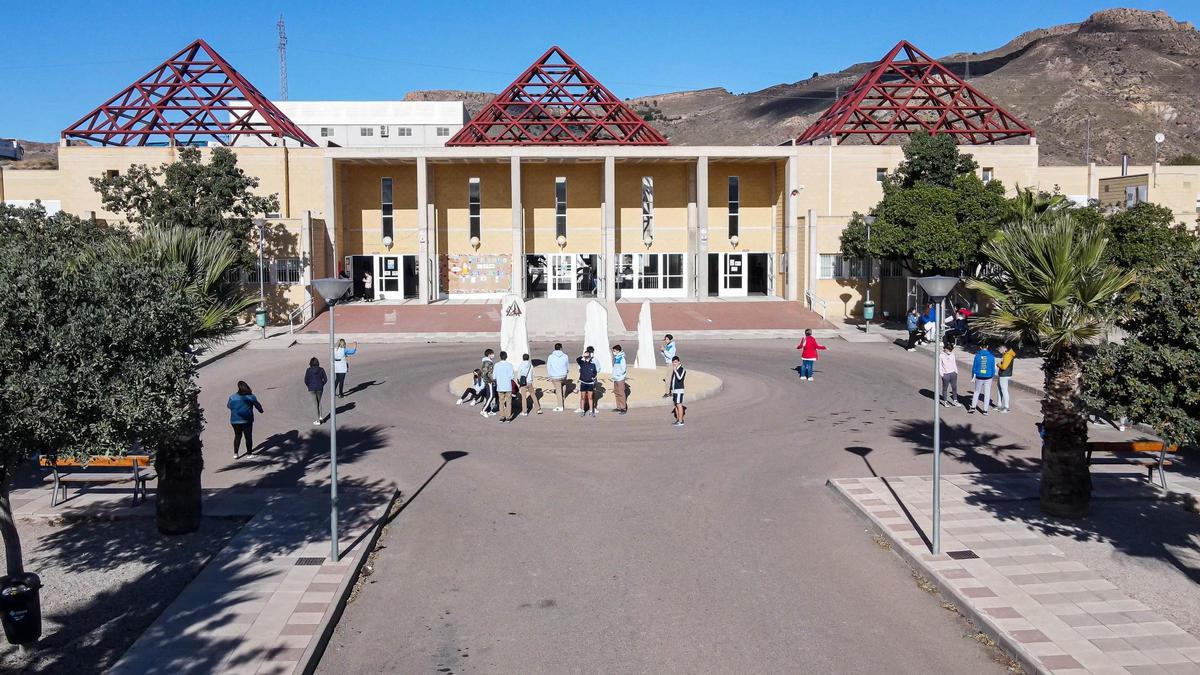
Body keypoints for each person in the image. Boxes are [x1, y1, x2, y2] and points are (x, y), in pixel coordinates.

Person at [227, 381, 263, 458]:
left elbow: (228, 406)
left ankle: (235, 454)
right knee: (248, 436)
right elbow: (258, 407)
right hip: (247, 420)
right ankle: (249, 454)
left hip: (234, 420)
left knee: (237, 436)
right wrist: (261, 410)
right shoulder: (251, 396)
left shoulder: (232, 397)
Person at [969, 344, 996, 415]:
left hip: (979, 376)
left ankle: (973, 408)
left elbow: (974, 367)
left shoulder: (977, 356)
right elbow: (993, 368)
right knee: (987, 393)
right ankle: (985, 410)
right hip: (988, 377)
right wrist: (992, 375)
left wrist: (973, 377)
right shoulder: (991, 356)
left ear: (980, 347)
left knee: (976, 392)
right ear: (987, 347)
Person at [304, 357, 328, 425]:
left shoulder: (308, 370)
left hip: (311, 388)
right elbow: (325, 379)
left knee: (315, 404)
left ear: (310, 363)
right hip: (320, 388)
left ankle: (317, 420)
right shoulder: (321, 369)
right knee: (319, 402)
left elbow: (306, 380)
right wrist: (321, 384)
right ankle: (320, 417)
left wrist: (309, 386)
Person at [546, 343, 569, 412]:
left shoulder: (550, 356)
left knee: (558, 391)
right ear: (561, 348)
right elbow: (567, 365)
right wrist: (566, 372)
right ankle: (563, 397)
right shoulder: (565, 356)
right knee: (564, 385)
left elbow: (548, 367)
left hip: (555, 376)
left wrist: (550, 375)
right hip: (563, 375)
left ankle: (560, 406)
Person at [493, 351, 515, 423]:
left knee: (501, 402)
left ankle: (502, 417)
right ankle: (508, 417)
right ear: (506, 357)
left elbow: (494, 376)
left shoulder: (496, 365)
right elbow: (512, 376)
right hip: (508, 386)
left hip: (500, 387)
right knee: (508, 402)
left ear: (500, 356)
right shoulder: (509, 365)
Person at [576, 349, 598, 417]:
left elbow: (595, 372)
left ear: (590, 357)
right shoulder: (582, 363)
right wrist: (583, 355)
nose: (586, 358)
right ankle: (583, 411)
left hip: (590, 383)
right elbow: (577, 359)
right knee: (583, 397)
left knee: (590, 397)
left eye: (587, 356)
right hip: (583, 382)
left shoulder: (593, 365)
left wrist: (592, 377)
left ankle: (591, 411)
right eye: (585, 357)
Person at [939, 343, 960, 407]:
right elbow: (939, 365)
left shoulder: (952, 354)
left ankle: (955, 401)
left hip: (953, 373)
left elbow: (954, 363)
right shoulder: (941, 355)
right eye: (949, 350)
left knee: (954, 387)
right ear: (945, 349)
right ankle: (945, 401)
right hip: (945, 374)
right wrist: (942, 374)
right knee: (945, 388)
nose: (950, 352)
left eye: (951, 350)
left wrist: (956, 371)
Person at [996, 344, 1016, 413]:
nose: (999, 352)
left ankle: (1006, 407)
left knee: (1004, 390)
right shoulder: (1007, 354)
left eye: (1000, 350)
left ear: (1004, 348)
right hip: (1003, 374)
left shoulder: (1007, 355)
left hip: (1004, 374)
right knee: (999, 389)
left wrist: (998, 364)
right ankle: (999, 405)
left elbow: (1004, 367)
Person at [479, 349, 497, 418]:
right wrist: (493, 380)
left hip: (487, 381)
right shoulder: (488, 362)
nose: (493, 355)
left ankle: (488, 410)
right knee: (491, 396)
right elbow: (488, 373)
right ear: (489, 355)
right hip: (489, 382)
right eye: (492, 354)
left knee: (488, 395)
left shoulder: (486, 362)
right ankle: (483, 410)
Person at [611, 345, 628, 415]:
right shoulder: (616, 357)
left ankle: (623, 408)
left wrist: (618, 375)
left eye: (614, 351)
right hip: (615, 378)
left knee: (621, 393)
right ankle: (618, 407)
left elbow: (623, 369)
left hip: (620, 378)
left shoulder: (622, 358)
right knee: (617, 393)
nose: (613, 352)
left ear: (618, 351)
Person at [669, 356, 686, 427]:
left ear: (679, 362)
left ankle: (681, 421)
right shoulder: (674, 369)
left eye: (675, 362)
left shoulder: (682, 369)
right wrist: (671, 390)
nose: (674, 364)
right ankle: (678, 419)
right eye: (673, 362)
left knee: (679, 405)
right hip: (674, 390)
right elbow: (673, 381)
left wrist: (675, 370)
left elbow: (680, 378)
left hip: (679, 390)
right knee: (675, 405)